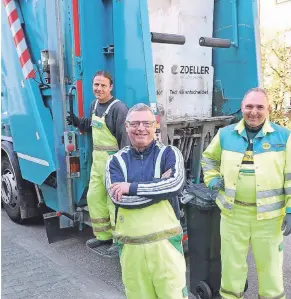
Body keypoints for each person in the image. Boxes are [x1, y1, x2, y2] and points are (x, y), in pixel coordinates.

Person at [201, 87, 291, 299]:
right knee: (232, 269)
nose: (254, 112)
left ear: (268, 109)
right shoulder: (225, 135)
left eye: (260, 107)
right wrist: (212, 178)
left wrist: (290, 209)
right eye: (249, 106)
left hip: (269, 220)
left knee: (270, 271)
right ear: (241, 108)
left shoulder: (284, 137)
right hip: (233, 216)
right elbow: (208, 159)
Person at [105, 103, 188, 299]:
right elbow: (120, 200)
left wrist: (130, 187)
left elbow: (174, 185)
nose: (140, 128)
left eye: (146, 123)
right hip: (132, 253)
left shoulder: (169, 153)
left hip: (166, 250)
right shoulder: (115, 161)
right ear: (126, 126)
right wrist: (159, 186)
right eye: (134, 123)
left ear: (155, 125)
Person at [67, 70, 129, 255]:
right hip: (98, 163)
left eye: (103, 85)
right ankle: (103, 236)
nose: (99, 88)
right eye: (96, 85)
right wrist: (78, 122)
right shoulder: (94, 105)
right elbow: (89, 125)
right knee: (94, 197)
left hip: (114, 163)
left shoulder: (118, 109)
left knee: (114, 202)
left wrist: (124, 167)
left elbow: (125, 141)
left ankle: (120, 242)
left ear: (110, 87)